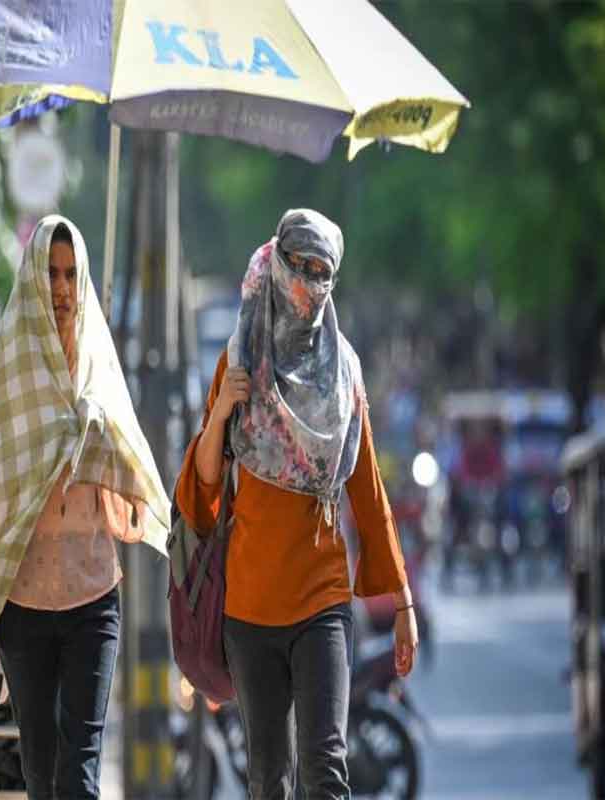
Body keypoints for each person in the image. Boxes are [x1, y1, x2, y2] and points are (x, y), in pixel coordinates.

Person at [0, 216, 171, 799]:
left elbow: (129, 478)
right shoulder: (7, 378)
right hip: (22, 607)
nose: (62, 287)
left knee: (80, 777)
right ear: (30, 280)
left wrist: (96, 440)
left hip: (93, 600)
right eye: (50, 273)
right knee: (42, 777)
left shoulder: (101, 372)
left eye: (72, 274)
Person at [175, 209, 419, 799]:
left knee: (324, 769)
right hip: (250, 609)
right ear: (276, 264)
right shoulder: (237, 363)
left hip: (322, 601)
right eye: (299, 267)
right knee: (268, 780)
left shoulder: (346, 374)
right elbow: (202, 499)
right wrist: (221, 417)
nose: (308, 283)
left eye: (321, 272)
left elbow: (367, 491)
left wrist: (403, 599)